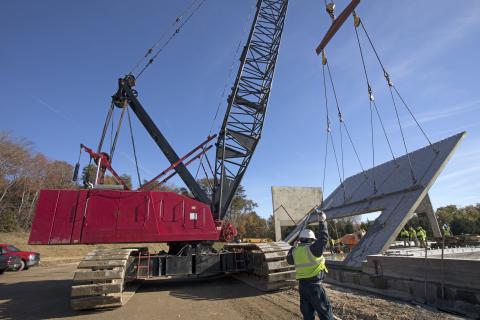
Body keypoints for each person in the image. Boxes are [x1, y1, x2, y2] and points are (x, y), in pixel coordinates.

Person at [287, 210, 333, 320]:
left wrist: (293, 246)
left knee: (307, 314)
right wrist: (322, 222)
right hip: (315, 287)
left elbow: (289, 260)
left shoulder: (295, 251)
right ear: (311, 240)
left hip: (302, 287)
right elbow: (323, 239)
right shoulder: (312, 249)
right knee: (325, 312)